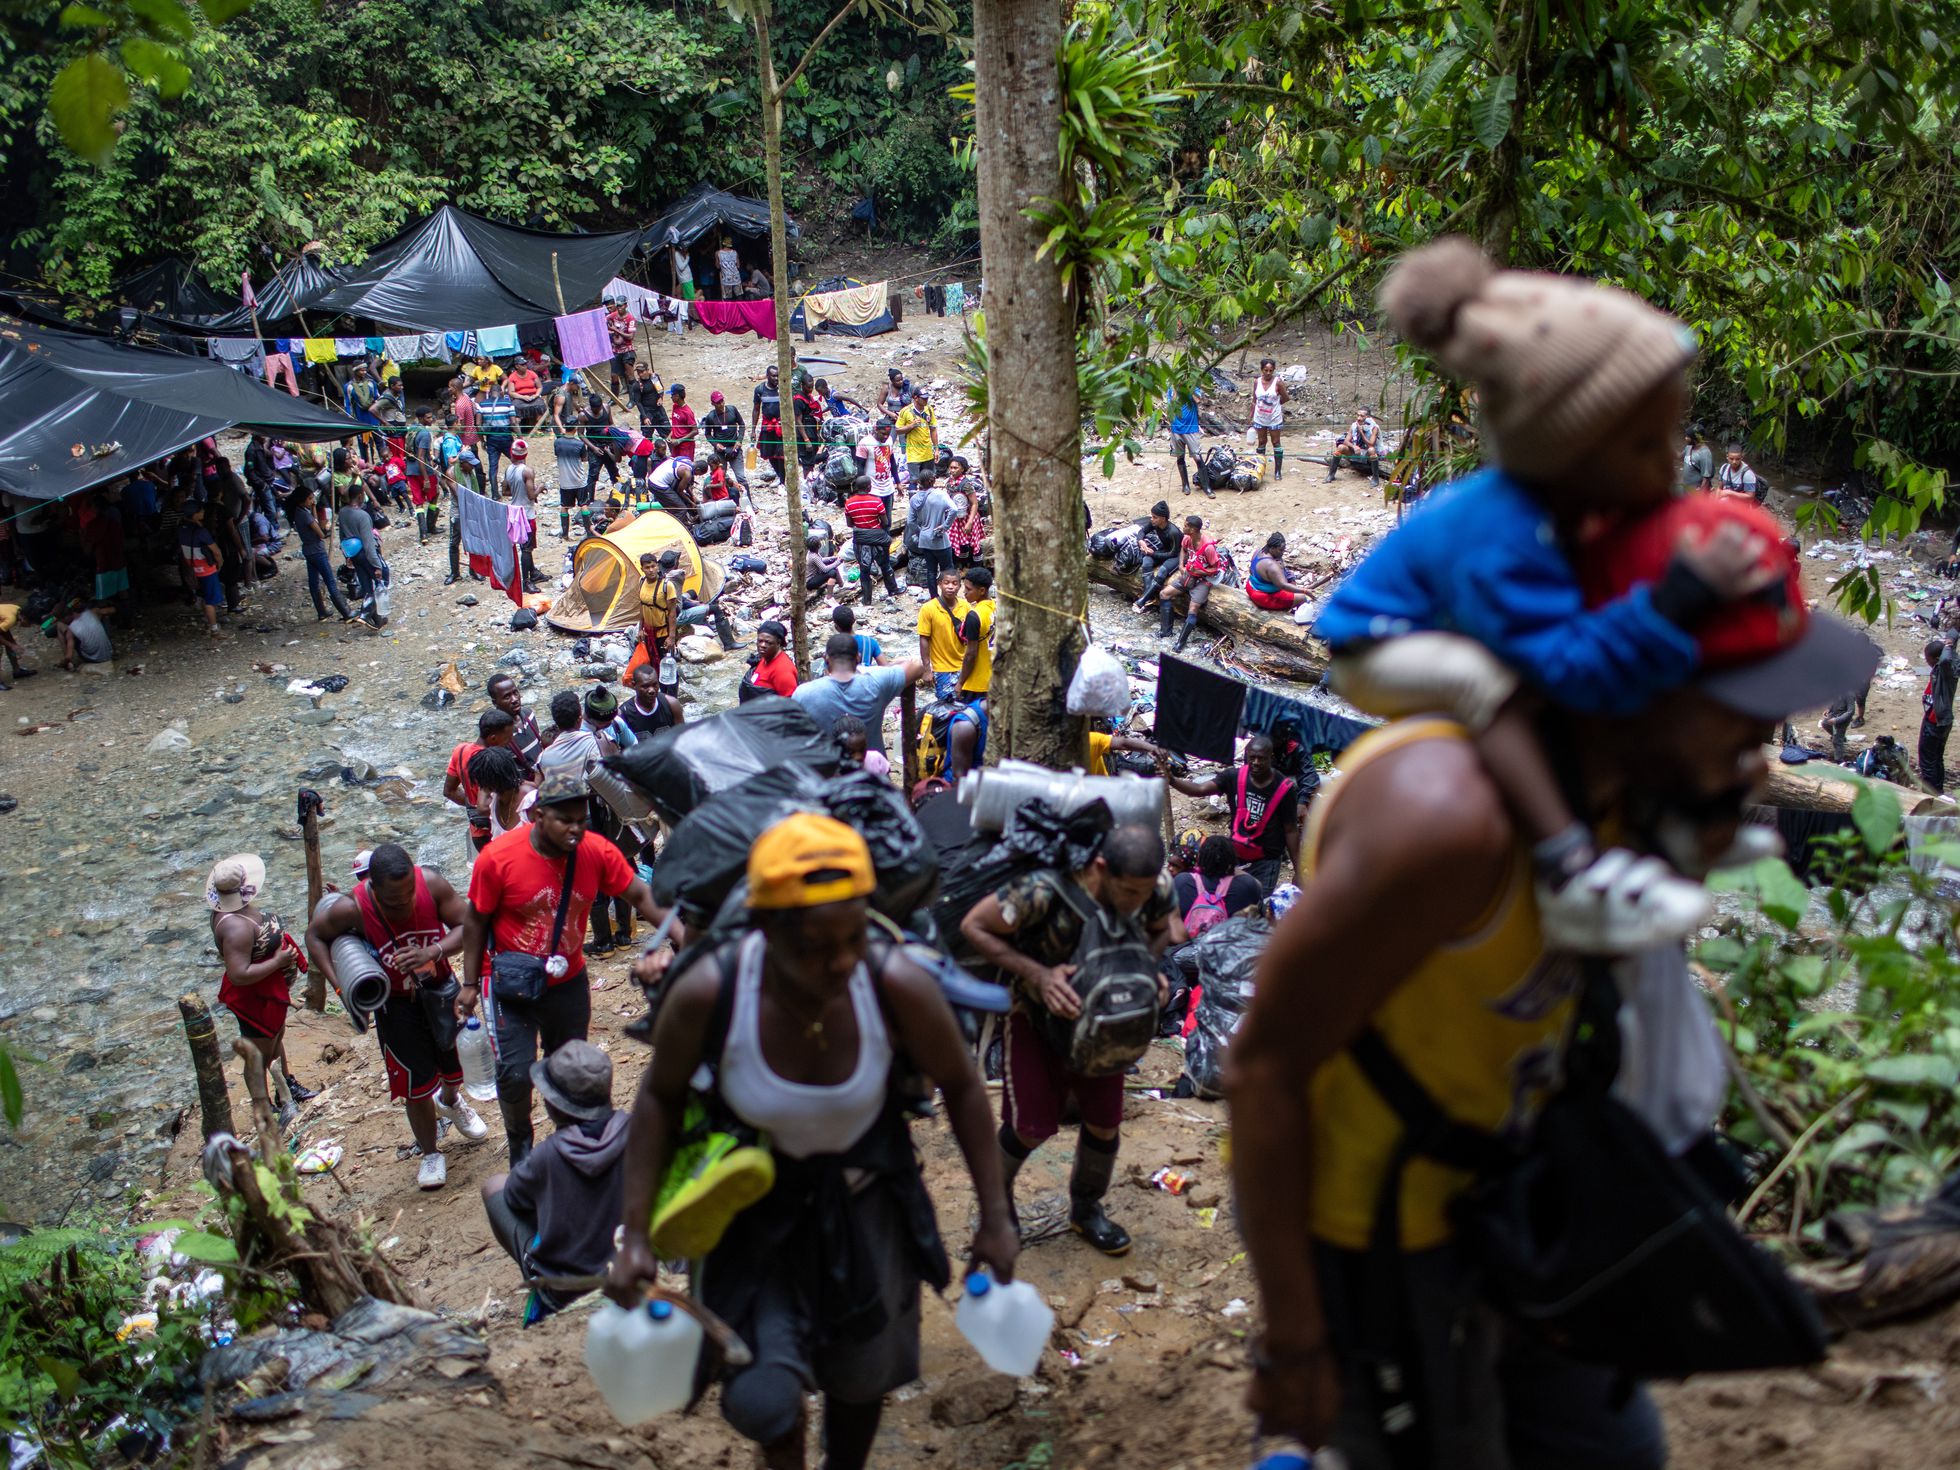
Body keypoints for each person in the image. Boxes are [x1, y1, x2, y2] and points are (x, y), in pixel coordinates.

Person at [1227, 496, 1876, 1470]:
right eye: (1741, 719)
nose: (1761, 762)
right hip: (1384, 1250)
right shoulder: (1443, 822)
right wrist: (1293, 1337)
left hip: (1516, 1198)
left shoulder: (1622, 803)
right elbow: (1264, 1070)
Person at [1312, 240, 1787, 952]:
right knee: (1494, 685)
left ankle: (1678, 814)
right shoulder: (1503, 534)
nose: (1668, 469)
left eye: (1670, 442)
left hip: (1467, 623)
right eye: (1642, 448)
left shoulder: (1567, 513)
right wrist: (1673, 598)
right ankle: (1568, 867)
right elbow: (1560, 661)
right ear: (1566, 450)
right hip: (1382, 642)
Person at [608, 815, 1019, 1470]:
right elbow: (658, 1097)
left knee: (860, 1383)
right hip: (750, 1216)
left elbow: (965, 1089)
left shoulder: (894, 985)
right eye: (816, 947)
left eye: (854, 937)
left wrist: (996, 1218)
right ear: (767, 933)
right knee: (763, 1400)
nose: (841, 962)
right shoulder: (711, 993)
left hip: (866, 1209)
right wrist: (634, 1238)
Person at [960, 824, 1183, 1255]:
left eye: (1143, 892)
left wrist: (1143, 967)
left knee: (1104, 1122)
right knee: (1028, 1127)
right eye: (1127, 891)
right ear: (1101, 867)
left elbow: (1165, 930)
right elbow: (975, 926)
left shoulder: (1153, 886)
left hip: (1107, 1021)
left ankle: (1087, 1209)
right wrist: (1039, 975)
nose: (1137, 902)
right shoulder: (1045, 891)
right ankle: (996, 1207)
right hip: (1036, 1018)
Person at [461, 767, 666, 1164]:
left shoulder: (595, 851)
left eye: (581, 820)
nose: (576, 829)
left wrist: (683, 934)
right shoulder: (498, 859)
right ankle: (520, 1141)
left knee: (570, 1067)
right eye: (565, 821)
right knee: (516, 1073)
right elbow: (475, 920)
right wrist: (469, 983)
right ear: (538, 817)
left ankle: (572, 1141)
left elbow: (640, 895)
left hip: (567, 978)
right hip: (510, 981)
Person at [306, 844, 488, 1189]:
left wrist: (433, 950)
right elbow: (314, 936)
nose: (404, 902)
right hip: (396, 1005)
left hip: (441, 989)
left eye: (409, 893)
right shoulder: (353, 908)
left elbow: (470, 925)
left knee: (455, 1064)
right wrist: (340, 985)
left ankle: (451, 1101)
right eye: (393, 898)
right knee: (415, 1086)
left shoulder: (432, 884)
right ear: (373, 887)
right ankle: (431, 1152)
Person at [482, 1040, 628, 1319]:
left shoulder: (548, 1156)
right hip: (627, 1267)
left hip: (564, 1289)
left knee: (494, 1187)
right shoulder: (638, 1131)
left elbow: (514, 1197)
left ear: (555, 1107)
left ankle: (537, 1268)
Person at [208, 854, 312, 1125]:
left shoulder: (236, 914)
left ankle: (285, 1087)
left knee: (276, 1036)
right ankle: (262, 1107)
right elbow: (239, 974)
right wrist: (278, 961)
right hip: (253, 995)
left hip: (267, 988)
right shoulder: (234, 927)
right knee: (258, 1051)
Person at [1161, 733, 1302, 892]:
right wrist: (1172, 779)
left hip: (1267, 861)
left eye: (1261, 758)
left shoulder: (1284, 788)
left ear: (1271, 757)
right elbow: (1199, 789)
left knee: (1259, 903)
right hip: (1235, 855)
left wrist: (1299, 870)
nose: (1255, 763)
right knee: (1230, 897)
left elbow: (1291, 830)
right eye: (1252, 758)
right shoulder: (1233, 777)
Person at [793, 631, 925, 751]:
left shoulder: (804, 693)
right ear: (858, 658)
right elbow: (918, 666)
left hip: (828, 772)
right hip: (872, 770)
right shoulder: (876, 682)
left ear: (826, 659)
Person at [1151, 513, 1226, 651]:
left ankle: (1181, 642)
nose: (1183, 527)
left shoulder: (1208, 547)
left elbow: (1215, 568)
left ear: (1193, 529)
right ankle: (1165, 631)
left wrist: (1200, 572)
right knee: (1164, 594)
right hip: (1188, 576)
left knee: (1193, 609)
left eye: (1185, 525)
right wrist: (1181, 565)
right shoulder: (1187, 539)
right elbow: (1183, 550)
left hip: (1202, 581)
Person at [447, 707, 517, 853]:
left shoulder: (460, 750)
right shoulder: (491, 762)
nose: (510, 742)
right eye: (508, 738)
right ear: (492, 738)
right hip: (496, 831)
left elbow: (449, 791)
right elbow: (485, 806)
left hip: (477, 832)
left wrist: (471, 804)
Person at [1175, 835, 1264, 934]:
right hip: (1230, 946)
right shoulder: (1247, 885)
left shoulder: (1183, 881)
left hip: (1190, 947)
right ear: (1232, 859)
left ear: (1200, 858)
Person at [336, 483, 388, 620]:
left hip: (353, 553)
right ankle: (369, 614)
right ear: (360, 496)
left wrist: (347, 555)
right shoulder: (362, 516)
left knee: (366, 585)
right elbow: (369, 543)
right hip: (364, 552)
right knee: (382, 579)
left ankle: (374, 617)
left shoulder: (342, 512)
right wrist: (377, 565)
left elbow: (342, 536)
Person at [844, 475, 900, 603]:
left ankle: (867, 599)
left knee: (864, 569)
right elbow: (885, 522)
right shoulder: (877, 501)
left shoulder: (849, 502)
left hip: (860, 540)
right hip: (877, 538)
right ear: (869, 487)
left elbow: (849, 524)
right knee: (885, 565)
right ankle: (892, 590)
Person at [917, 569, 970, 700]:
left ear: (959, 586)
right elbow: (924, 638)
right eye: (946, 583)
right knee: (946, 707)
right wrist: (927, 669)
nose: (950, 587)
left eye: (954, 583)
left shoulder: (966, 607)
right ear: (940, 584)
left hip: (964, 666)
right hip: (942, 668)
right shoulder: (928, 608)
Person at [470, 745, 537, 839]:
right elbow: (481, 808)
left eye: (481, 782)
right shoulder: (494, 800)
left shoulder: (531, 800)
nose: (480, 787)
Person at [502, 439, 543, 591]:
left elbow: (505, 491)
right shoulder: (527, 471)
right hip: (526, 513)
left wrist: (519, 491)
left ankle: (533, 573)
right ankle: (526, 582)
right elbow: (532, 495)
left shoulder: (509, 469)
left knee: (525, 546)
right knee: (527, 548)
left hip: (514, 512)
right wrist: (540, 487)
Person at [488, 673, 548, 775]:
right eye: (507, 697)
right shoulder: (499, 735)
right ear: (495, 703)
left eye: (515, 693)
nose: (514, 699)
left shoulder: (529, 714)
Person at [1921, 633, 1957, 790]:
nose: (1926, 661)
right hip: (1937, 718)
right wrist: (1950, 642)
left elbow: (1946, 659)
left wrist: (1948, 647)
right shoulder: (1942, 667)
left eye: (1927, 658)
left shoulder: (1946, 669)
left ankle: (1929, 792)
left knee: (1927, 760)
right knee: (1936, 758)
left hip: (1936, 721)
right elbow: (1954, 632)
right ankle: (1938, 789)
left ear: (1936, 659)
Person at [1132, 501, 1184, 609]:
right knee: (1146, 562)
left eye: (1155, 517)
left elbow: (1172, 553)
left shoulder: (1173, 532)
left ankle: (1143, 600)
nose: (1152, 519)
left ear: (1163, 518)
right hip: (1165, 549)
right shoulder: (1154, 524)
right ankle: (1149, 597)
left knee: (1162, 572)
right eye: (1152, 516)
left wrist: (1153, 553)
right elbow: (1142, 532)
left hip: (1177, 554)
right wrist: (1141, 541)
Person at [909, 472, 957, 590]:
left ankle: (934, 598)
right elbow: (954, 509)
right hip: (939, 538)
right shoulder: (940, 495)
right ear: (932, 481)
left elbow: (910, 522)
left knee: (931, 571)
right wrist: (945, 526)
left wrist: (920, 532)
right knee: (948, 570)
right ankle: (948, 596)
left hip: (924, 540)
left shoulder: (914, 498)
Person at [1245, 533, 1314, 611]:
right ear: (1272, 548)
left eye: (1284, 549)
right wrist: (1305, 591)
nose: (1283, 552)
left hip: (1251, 586)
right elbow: (1284, 585)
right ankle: (1296, 618)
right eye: (1280, 550)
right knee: (1302, 597)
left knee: (1292, 583)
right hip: (1262, 596)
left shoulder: (1259, 551)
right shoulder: (1271, 565)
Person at [619, 659, 684, 740]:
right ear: (634, 685)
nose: (652, 690)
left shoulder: (672, 705)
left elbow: (682, 739)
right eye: (645, 686)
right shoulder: (624, 713)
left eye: (655, 685)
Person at [957, 566, 995, 702]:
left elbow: (971, 654)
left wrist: (960, 682)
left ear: (982, 590)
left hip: (977, 682)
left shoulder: (974, 615)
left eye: (968, 589)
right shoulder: (995, 607)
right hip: (993, 678)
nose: (964, 593)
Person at [637, 549, 681, 665]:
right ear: (642, 569)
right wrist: (640, 629)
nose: (651, 570)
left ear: (657, 566)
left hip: (663, 633)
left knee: (667, 665)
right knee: (651, 662)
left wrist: (671, 637)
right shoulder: (641, 582)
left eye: (653, 566)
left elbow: (672, 612)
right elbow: (642, 606)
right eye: (647, 567)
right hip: (648, 633)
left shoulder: (667, 586)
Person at [1250, 356, 1288, 480]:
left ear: (1273, 370)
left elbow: (1286, 397)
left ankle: (1278, 472)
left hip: (1274, 417)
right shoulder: (1257, 382)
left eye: (1270, 370)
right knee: (1261, 442)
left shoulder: (1278, 382)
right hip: (1259, 417)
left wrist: (1274, 405)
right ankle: (1260, 468)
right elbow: (1254, 400)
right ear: (1261, 370)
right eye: (1266, 370)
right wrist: (1251, 415)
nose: (1268, 373)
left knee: (1276, 442)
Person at [702, 391, 748, 491]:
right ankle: (726, 499)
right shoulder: (710, 417)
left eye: (722, 401)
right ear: (713, 404)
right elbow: (708, 434)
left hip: (735, 448)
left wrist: (739, 440)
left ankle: (748, 501)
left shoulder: (732, 410)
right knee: (721, 477)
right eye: (718, 402)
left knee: (741, 477)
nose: (721, 404)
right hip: (720, 452)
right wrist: (716, 444)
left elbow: (741, 424)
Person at [744, 619, 801, 700]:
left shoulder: (782, 671)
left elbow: (790, 703)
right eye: (760, 641)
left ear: (778, 643)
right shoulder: (764, 658)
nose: (762, 645)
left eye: (768, 642)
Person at [1166, 386, 1207, 495]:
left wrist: (1189, 387)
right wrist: (1175, 387)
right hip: (1176, 428)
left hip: (1191, 428)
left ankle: (1206, 486)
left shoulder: (1192, 386)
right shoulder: (1171, 388)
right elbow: (1171, 405)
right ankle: (1185, 485)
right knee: (1180, 457)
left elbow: (1198, 400)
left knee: (1197, 457)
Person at [894, 387, 938, 489]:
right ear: (915, 398)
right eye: (923, 398)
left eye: (927, 398)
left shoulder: (929, 410)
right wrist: (911, 426)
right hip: (913, 453)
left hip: (927, 452)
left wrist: (936, 449)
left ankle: (927, 502)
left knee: (929, 479)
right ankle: (913, 502)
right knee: (914, 480)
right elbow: (898, 429)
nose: (926, 400)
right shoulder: (906, 411)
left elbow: (933, 430)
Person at [945, 457, 985, 568]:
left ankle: (976, 567)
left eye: (955, 468)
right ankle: (963, 566)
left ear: (962, 469)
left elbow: (974, 503)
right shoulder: (950, 482)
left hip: (968, 517)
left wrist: (970, 522)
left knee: (973, 542)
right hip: (957, 518)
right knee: (960, 542)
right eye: (951, 468)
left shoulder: (966, 485)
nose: (952, 470)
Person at [478, 378, 516, 492]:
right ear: (501, 392)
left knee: (493, 466)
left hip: (491, 439)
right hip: (506, 437)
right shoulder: (508, 403)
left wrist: (482, 440)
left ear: (489, 393)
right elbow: (513, 422)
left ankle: (495, 493)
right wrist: (520, 437)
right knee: (517, 461)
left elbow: (478, 425)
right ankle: (516, 486)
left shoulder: (482, 405)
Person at [51, 600, 113, 668]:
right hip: (109, 653)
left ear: (66, 617)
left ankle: (68, 665)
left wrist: (62, 663)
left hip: (93, 659)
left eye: (61, 619)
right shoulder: (92, 611)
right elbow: (112, 610)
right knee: (105, 616)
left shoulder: (70, 630)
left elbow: (69, 657)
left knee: (59, 626)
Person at [856, 418, 900, 501]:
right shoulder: (865, 443)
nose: (885, 437)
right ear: (876, 429)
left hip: (888, 488)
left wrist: (898, 482)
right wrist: (862, 490)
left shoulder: (889, 440)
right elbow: (860, 467)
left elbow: (892, 462)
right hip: (872, 490)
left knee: (888, 514)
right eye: (883, 434)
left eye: (888, 434)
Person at [832, 603, 883, 667]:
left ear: (836, 626)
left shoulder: (832, 646)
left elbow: (828, 673)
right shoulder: (869, 642)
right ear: (854, 621)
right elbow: (885, 667)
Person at [606, 298, 638, 394]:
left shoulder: (631, 319)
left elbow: (630, 337)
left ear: (625, 305)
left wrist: (615, 330)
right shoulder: (613, 316)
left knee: (630, 375)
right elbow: (603, 320)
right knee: (614, 375)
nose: (619, 308)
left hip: (627, 349)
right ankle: (614, 398)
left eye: (621, 306)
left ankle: (634, 398)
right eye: (618, 306)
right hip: (616, 350)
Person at [507, 360, 547, 433]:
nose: (525, 366)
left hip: (533, 396)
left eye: (525, 364)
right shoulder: (512, 376)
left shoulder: (532, 374)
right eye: (522, 365)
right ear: (517, 366)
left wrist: (536, 395)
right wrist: (522, 397)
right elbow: (511, 392)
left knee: (540, 405)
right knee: (515, 406)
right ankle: (518, 430)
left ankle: (537, 427)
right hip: (519, 397)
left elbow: (539, 387)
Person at [668, 383, 698, 466]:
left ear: (677, 396)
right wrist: (670, 435)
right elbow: (675, 424)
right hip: (676, 443)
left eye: (672, 395)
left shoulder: (687, 412)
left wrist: (680, 440)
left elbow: (695, 431)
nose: (671, 397)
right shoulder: (675, 406)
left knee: (685, 466)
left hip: (686, 446)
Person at [1681, 424, 1715, 492]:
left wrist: (1700, 493)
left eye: (1688, 437)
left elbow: (1706, 477)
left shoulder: (1705, 453)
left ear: (1695, 439)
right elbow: (1680, 457)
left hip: (1697, 491)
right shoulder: (1689, 447)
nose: (1686, 438)